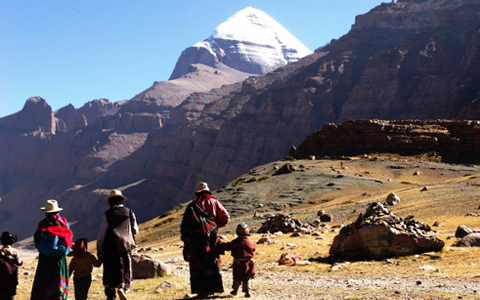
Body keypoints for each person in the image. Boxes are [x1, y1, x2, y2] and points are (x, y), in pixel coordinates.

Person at [180, 182, 230, 298]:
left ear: (197, 193)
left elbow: (185, 225)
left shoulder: (192, 206)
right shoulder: (214, 202)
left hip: (196, 238)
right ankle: (212, 289)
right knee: (211, 260)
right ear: (207, 192)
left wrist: (187, 239)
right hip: (211, 236)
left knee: (198, 262)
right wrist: (215, 225)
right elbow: (226, 217)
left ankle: (200, 290)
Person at [97, 189, 139, 300]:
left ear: (110, 202)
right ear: (121, 201)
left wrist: (99, 249)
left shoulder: (107, 214)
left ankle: (111, 295)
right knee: (125, 267)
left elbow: (102, 234)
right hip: (125, 246)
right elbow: (135, 230)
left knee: (110, 271)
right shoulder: (129, 212)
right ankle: (123, 287)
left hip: (110, 248)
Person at [31, 199, 73, 300]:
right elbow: (68, 240)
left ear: (46, 213)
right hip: (60, 260)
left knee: (44, 283)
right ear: (58, 212)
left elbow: (37, 239)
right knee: (58, 283)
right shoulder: (64, 224)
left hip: (45, 259)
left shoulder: (42, 225)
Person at [218, 222, 256, 298]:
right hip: (249, 262)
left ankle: (235, 290)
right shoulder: (251, 242)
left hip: (238, 263)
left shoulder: (235, 242)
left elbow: (227, 246)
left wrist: (219, 242)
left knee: (237, 277)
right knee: (246, 277)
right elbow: (253, 249)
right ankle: (247, 291)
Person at [0, 231, 23, 300]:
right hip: (12, 279)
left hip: (1, 280)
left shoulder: (0, 252)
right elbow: (20, 262)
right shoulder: (15, 252)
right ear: (12, 243)